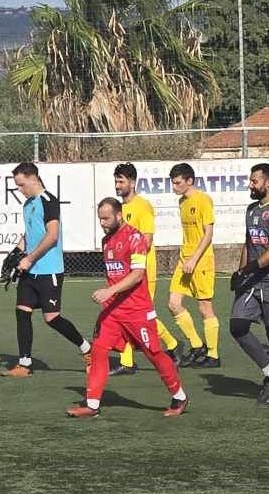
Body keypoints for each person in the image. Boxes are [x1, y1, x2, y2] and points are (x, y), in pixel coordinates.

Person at [66, 198, 189, 418]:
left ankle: (179, 396)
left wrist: (109, 291)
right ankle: (92, 404)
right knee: (99, 350)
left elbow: (137, 274)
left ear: (119, 215)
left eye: (106, 218)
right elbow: (116, 275)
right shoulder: (106, 241)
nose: (102, 223)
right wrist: (110, 295)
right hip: (113, 311)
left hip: (137, 310)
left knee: (153, 353)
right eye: (100, 219)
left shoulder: (135, 238)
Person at [2, 163, 90, 376]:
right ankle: (24, 364)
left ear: (33, 178)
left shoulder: (49, 201)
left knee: (52, 319)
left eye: (22, 185)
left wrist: (29, 259)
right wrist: (15, 253)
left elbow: (52, 236)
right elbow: (30, 234)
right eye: (17, 186)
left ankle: (88, 349)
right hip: (30, 271)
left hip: (49, 271)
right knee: (22, 312)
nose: (20, 190)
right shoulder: (27, 205)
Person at [229, 163, 269, 406]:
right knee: (237, 326)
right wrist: (240, 272)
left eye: (254, 181)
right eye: (250, 180)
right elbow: (248, 244)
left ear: (268, 183)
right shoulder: (251, 209)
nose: (250, 185)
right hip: (253, 279)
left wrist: (250, 269)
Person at [111, 163, 183, 375]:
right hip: (124, 272)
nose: (117, 185)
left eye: (121, 181)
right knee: (124, 313)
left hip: (142, 272)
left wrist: (130, 259)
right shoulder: (119, 209)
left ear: (132, 182)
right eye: (116, 181)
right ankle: (127, 361)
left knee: (142, 315)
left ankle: (172, 345)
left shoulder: (143, 206)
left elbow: (147, 241)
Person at [167, 163, 221, 368]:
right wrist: (186, 258)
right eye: (172, 183)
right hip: (184, 260)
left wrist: (194, 258)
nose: (174, 187)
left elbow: (208, 234)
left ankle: (213, 355)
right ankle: (197, 345)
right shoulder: (182, 201)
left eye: (177, 183)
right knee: (173, 303)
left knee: (204, 307)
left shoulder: (203, 200)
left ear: (189, 181)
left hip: (201, 261)